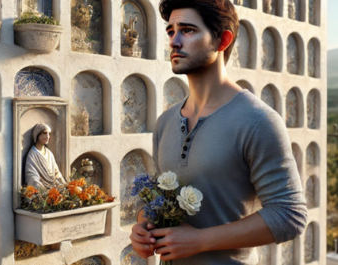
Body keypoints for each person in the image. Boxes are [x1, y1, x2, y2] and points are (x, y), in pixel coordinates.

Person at [129, 1, 307, 264]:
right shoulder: (166, 121)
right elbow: (160, 198)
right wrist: (143, 225)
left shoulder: (258, 121)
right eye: (170, 31)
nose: (174, 42)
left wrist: (200, 241)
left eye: (188, 30)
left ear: (222, 40)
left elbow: (289, 214)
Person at [25, 123, 66, 189]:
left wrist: (64, 184)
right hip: (42, 191)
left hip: (54, 188)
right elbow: (31, 176)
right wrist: (41, 187)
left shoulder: (49, 153)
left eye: (49, 134)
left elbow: (56, 173)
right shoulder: (32, 155)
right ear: (37, 134)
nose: (47, 136)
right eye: (44, 133)